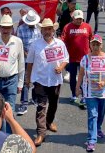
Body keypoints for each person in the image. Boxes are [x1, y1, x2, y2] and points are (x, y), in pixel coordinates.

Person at [25, 18, 69, 146]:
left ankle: (49, 122)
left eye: (49, 29)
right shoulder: (35, 44)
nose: (47, 31)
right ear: (41, 30)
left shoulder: (59, 44)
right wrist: (28, 78)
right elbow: (30, 62)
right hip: (40, 79)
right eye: (45, 29)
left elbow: (66, 58)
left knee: (54, 104)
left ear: (53, 30)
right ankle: (41, 132)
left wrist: (61, 67)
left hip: (55, 80)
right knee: (41, 106)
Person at [76, 34, 105, 152]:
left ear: (101, 45)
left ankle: (98, 128)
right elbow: (81, 74)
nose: (95, 46)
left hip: (104, 92)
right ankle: (91, 140)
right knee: (93, 114)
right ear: (90, 45)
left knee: (101, 113)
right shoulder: (85, 59)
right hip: (89, 92)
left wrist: (104, 82)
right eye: (93, 44)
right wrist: (77, 88)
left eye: (97, 44)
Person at [61, 10, 93, 103]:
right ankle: (74, 94)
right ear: (73, 18)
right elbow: (63, 41)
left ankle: (84, 95)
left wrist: (93, 53)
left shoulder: (87, 27)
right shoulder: (67, 27)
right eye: (77, 19)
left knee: (84, 77)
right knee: (72, 77)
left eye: (80, 19)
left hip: (85, 57)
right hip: (72, 57)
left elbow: (91, 39)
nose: (79, 20)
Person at [16, 10, 42, 115]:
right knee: (26, 81)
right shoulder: (21, 29)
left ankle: (35, 98)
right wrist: (27, 54)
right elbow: (19, 44)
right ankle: (24, 104)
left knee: (36, 80)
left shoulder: (38, 29)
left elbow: (40, 42)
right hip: (26, 59)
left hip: (37, 58)